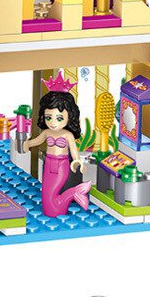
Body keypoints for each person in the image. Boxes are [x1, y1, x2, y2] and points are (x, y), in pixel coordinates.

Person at [21, 72, 91, 217]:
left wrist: (77, 161)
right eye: (49, 117)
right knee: (46, 193)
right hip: (48, 163)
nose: (53, 123)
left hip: (61, 165)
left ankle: (73, 194)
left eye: (59, 118)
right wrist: (26, 144)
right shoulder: (47, 132)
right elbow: (37, 141)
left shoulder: (67, 135)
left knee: (52, 191)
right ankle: (72, 195)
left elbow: (74, 151)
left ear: (69, 116)